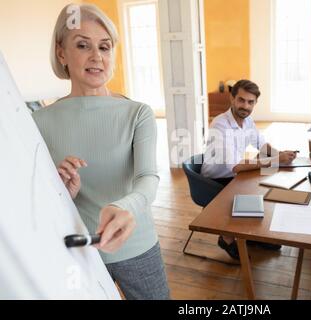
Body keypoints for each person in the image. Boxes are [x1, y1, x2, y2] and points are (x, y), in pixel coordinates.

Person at [32, 4, 170, 300]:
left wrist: (125, 207)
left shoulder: (138, 113)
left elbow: (148, 178)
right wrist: (61, 190)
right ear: (61, 53)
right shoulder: (39, 122)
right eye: (83, 45)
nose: (97, 57)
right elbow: (38, 196)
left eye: (105, 47)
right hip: (77, 251)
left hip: (138, 245)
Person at [201, 79, 297, 259]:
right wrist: (276, 159)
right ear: (232, 99)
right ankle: (227, 239)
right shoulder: (220, 125)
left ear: (255, 103)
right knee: (257, 185)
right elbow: (236, 166)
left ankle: (252, 235)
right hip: (214, 181)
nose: (245, 106)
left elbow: (261, 145)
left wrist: (281, 153)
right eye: (241, 100)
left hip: (232, 175)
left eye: (250, 102)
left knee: (263, 186)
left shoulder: (248, 121)